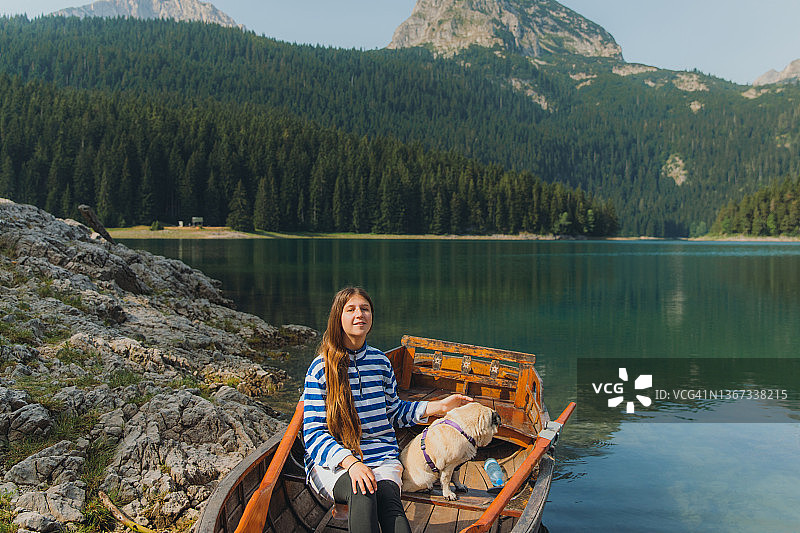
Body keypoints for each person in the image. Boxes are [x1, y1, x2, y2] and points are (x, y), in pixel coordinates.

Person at [302, 287, 471, 533]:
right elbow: (314, 433)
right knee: (362, 492)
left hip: (381, 457)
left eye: (365, 309)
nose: (359, 314)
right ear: (338, 318)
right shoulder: (321, 368)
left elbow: (394, 413)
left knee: (391, 505)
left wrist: (441, 406)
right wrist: (352, 464)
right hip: (334, 462)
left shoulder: (380, 362)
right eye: (351, 310)